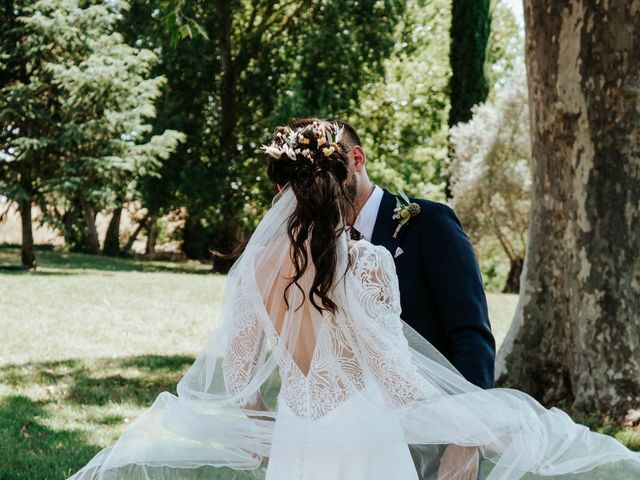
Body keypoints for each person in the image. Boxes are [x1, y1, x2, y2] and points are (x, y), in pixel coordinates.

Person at [66, 121, 640, 480]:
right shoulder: (367, 264)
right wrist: (493, 428)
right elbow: (398, 383)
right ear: (345, 171)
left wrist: (269, 433)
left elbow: (240, 380)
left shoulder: (251, 273)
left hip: (296, 442)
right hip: (368, 447)